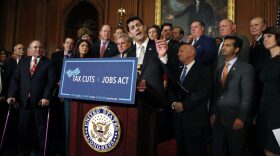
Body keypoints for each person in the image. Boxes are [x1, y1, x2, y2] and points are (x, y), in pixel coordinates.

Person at [126, 16, 168, 156]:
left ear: (144, 28)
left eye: (138, 25)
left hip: (155, 105)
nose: (136, 28)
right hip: (134, 106)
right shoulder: (128, 53)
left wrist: (163, 57)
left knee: (154, 146)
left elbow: (172, 75)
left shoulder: (158, 46)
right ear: (130, 34)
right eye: (132, 28)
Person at [7, 40, 56, 156]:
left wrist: (46, 97)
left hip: (40, 102)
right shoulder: (23, 62)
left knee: (39, 130)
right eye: (35, 47)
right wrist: (11, 95)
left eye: (40, 47)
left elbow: (51, 82)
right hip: (24, 102)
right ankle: (24, 150)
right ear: (30, 49)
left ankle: (38, 151)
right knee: (23, 128)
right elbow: (15, 80)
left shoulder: (49, 63)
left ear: (43, 49)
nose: (38, 49)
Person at [210, 36, 254, 156]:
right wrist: (214, 112)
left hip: (236, 118)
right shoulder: (219, 70)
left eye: (228, 45)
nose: (224, 47)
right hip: (218, 118)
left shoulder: (246, 68)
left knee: (235, 151)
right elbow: (217, 94)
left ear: (236, 49)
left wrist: (241, 117)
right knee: (217, 151)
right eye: (223, 45)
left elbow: (247, 95)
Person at [166, 44, 212, 156]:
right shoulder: (178, 70)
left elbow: (202, 93)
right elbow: (172, 89)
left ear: (191, 53)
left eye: (181, 51)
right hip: (178, 119)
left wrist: (183, 105)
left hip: (195, 120)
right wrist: (173, 103)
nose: (178, 53)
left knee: (195, 151)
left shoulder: (204, 70)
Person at [248, 17, 270, 156]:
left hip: (265, 91)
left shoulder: (267, 43)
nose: (253, 27)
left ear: (264, 27)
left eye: (256, 25)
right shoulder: (253, 45)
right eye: (251, 25)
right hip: (254, 91)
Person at [258, 27, 280, 156]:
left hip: (278, 113)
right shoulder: (266, 60)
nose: (265, 39)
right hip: (265, 111)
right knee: (267, 149)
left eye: (269, 36)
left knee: (276, 149)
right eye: (264, 37)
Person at [51, 37, 75, 156]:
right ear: (63, 44)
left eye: (71, 44)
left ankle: (65, 148)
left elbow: (76, 72)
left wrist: (67, 81)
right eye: (67, 43)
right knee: (55, 121)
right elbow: (51, 71)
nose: (69, 45)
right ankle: (55, 148)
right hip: (56, 91)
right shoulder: (56, 56)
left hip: (69, 93)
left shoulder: (75, 57)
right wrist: (57, 80)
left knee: (66, 122)